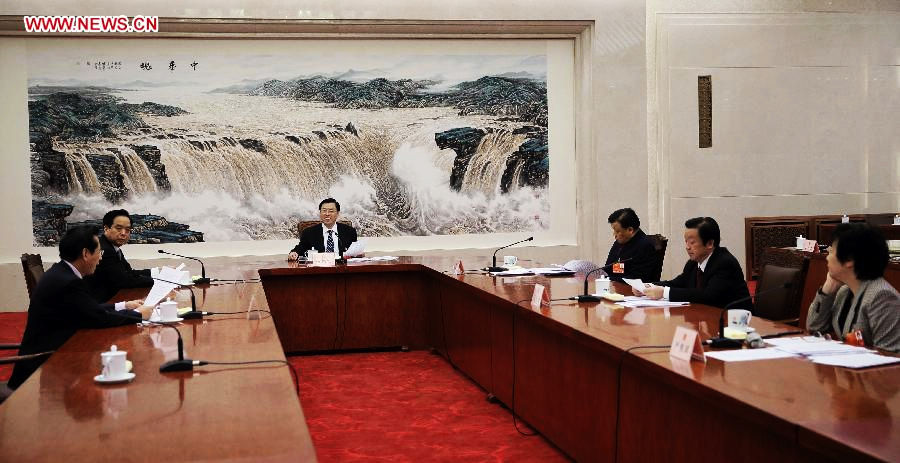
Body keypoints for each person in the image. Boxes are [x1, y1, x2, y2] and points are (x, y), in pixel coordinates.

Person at [8, 226, 154, 390]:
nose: (100, 259)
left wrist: (123, 305)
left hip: (57, 356)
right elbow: (98, 318)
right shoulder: (68, 282)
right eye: (99, 252)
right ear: (85, 254)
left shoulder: (62, 272)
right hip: (45, 366)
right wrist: (138, 315)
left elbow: (88, 309)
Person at [806, 223, 899, 352]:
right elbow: (814, 328)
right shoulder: (844, 291)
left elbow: (888, 358)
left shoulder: (882, 296)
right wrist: (827, 290)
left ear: (849, 260)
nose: (827, 257)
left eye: (831, 251)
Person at [636, 216, 752, 310]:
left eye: (692, 242)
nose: (687, 247)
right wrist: (648, 286)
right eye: (686, 242)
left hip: (736, 323)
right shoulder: (693, 263)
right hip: (705, 318)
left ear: (710, 244)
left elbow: (708, 296)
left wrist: (664, 292)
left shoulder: (725, 263)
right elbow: (678, 283)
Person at [86, 209, 153, 302]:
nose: (123, 233)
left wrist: (156, 272)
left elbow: (129, 273)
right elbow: (125, 281)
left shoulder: (113, 248)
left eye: (127, 230)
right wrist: (160, 280)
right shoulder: (106, 250)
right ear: (106, 228)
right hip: (103, 304)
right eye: (118, 228)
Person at [288, 198, 358, 260]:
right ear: (320, 213)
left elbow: (355, 251)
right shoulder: (309, 232)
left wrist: (358, 254)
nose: (327, 214)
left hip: (342, 270)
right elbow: (301, 248)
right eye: (324, 211)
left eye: (331, 211)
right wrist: (294, 253)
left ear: (337, 213)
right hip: (318, 270)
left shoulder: (349, 231)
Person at [604, 208, 658, 282]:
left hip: (634, 291)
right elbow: (608, 268)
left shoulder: (645, 246)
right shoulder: (620, 242)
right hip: (615, 286)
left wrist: (608, 278)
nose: (614, 234)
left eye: (617, 231)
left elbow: (637, 278)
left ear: (630, 230)